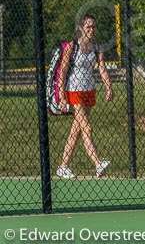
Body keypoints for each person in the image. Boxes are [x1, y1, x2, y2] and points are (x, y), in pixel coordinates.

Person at [55, 14, 113, 179]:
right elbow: (63, 72)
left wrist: (109, 87)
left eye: (94, 26)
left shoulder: (96, 47)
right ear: (81, 28)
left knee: (77, 129)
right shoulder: (72, 46)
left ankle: (63, 166)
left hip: (89, 91)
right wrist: (62, 96)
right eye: (88, 26)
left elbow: (101, 68)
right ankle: (97, 163)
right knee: (87, 127)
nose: (91, 29)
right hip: (74, 91)